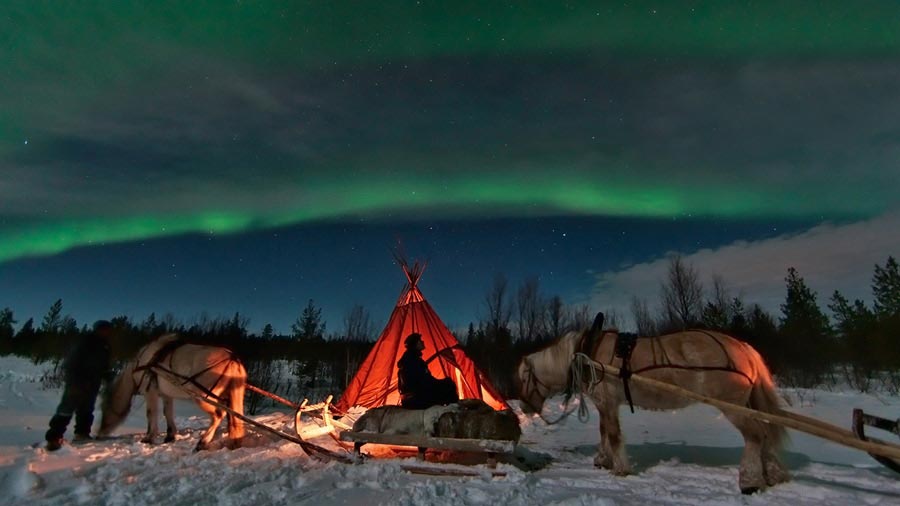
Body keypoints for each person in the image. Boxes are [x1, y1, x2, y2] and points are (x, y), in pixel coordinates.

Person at [45, 320, 114, 451]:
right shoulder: (85, 342)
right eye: (103, 329)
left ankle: (82, 434)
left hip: (93, 383)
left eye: (108, 330)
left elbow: (104, 366)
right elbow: (71, 361)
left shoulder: (105, 346)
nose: (106, 332)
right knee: (67, 408)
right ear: (97, 329)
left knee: (86, 409)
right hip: (77, 382)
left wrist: (108, 377)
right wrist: (75, 378)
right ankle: (54, 438)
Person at [397, 333, 458, 409]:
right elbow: (424, 381)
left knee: (446, 384)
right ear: (416, 344)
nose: (422, 342)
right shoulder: (413, 361)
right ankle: (454, 411)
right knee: (449, 385)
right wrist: (442, 383)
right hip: (416, 399)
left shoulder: (407, 360)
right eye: (420, 341)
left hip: (410, 397)